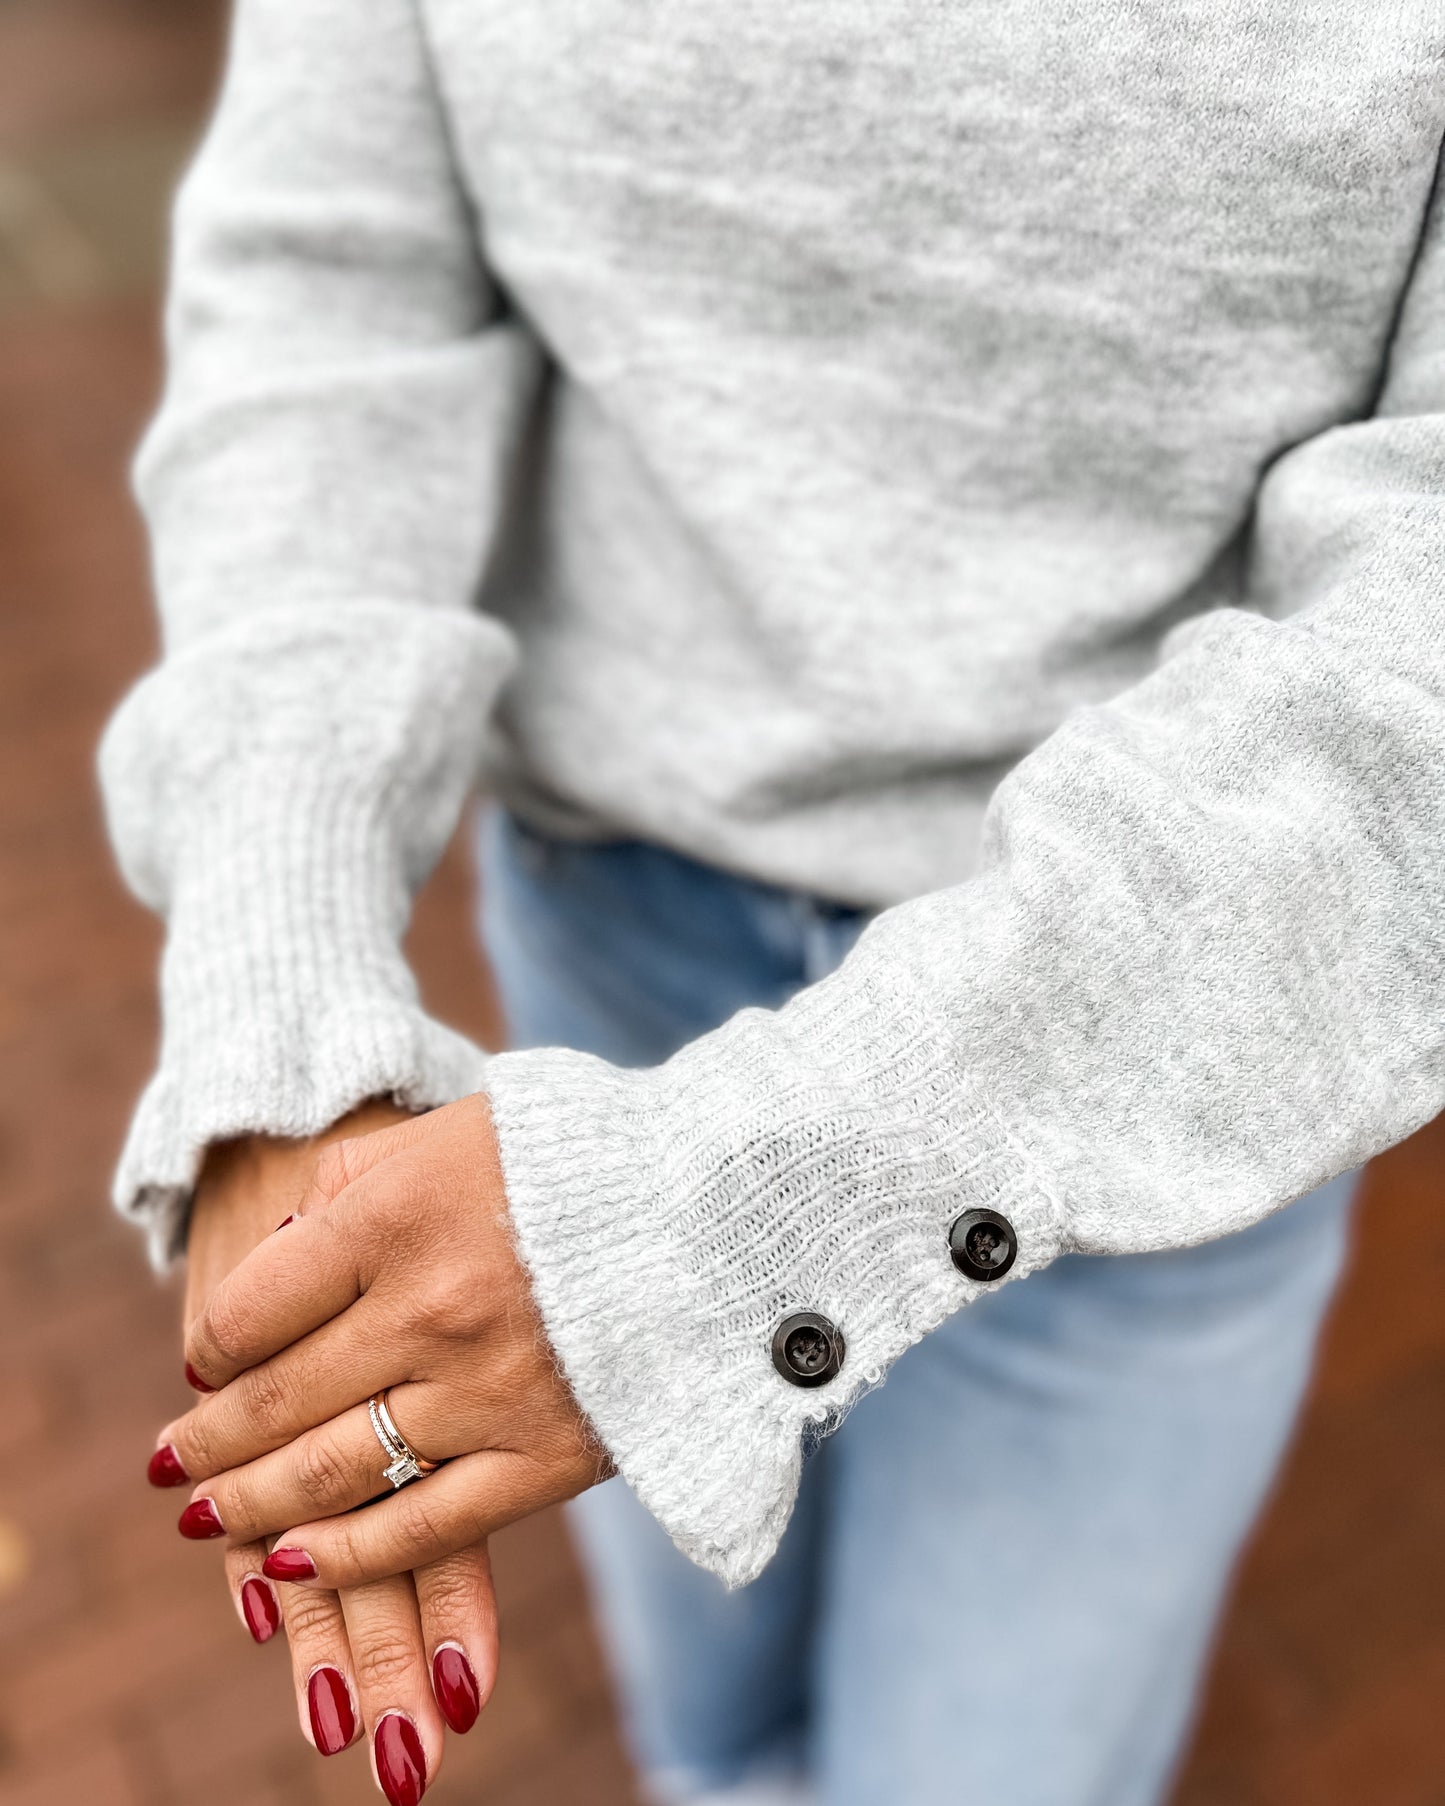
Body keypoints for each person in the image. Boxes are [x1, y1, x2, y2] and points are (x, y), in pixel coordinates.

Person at [104, 4, 1445, 1804]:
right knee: (712, 1740)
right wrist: (285, 996)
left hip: (1151, 1040)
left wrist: (724, 1230)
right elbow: (329, 282)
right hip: (611, 948)